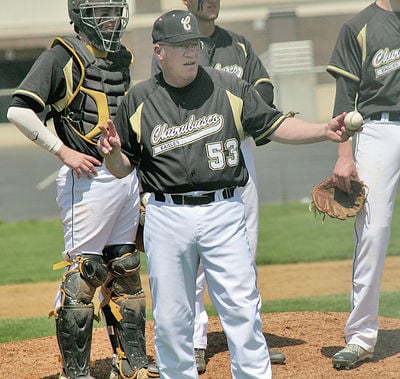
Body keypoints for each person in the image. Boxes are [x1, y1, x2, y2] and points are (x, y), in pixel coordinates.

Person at [97, 9, 355, 379]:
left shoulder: (228, 87)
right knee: (171, 318)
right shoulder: (138, 100)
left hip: (224, 211)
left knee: (241, 310)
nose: (191, 52)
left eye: (195, 44)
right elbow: (124, 168)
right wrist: (111, 155)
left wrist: (323, 130)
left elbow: (274, 124)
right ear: (159, 51)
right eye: (181, 45)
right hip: (166, 216)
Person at [7, 1, 151, 378]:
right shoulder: (61, 56)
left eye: (115, 11)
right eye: (101, 11)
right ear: (81, 17)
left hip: (123, 174)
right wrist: (63, 151)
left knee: (125, 266)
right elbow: (19, 111)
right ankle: (77, 372)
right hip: (85, 178)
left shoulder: (122, 56)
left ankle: (132, 362)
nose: (112, 19)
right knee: (84, 274)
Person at [172, 0, 285, 371]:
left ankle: (250, 339)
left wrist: (243, 112)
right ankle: (193, 342)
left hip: (239, 151)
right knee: (194, 256)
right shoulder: (179, 43)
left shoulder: (238, 45)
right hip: (193, 154)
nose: (212, 2)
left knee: (245, 247)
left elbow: (263, 88)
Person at [326, 0, 400, 370]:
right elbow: (343, 99)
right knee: (373, 231)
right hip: (378, 129)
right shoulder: (359, 26)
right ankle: (361, 336)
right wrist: (344, 155)